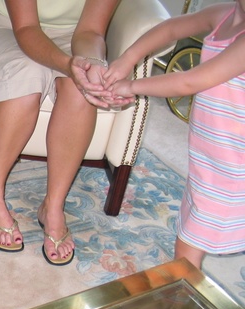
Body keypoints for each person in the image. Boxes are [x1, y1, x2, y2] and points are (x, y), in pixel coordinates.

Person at [0, 0, 120, 264]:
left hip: (72, 35)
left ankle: (53, 206)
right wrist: (66, 65)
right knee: (27, 75)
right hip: (4, 25)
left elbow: (90, 31)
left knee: (82, 93)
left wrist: (90, 64)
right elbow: (26, 28)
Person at [104, 1, 245, 269]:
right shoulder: (223, 13)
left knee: (188, 246)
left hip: (235, 168)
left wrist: (131, 86)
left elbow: (190, 81)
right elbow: (169, 29)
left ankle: (177, 300)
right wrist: (127, 59)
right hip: (212, 156)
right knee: (193, 225)